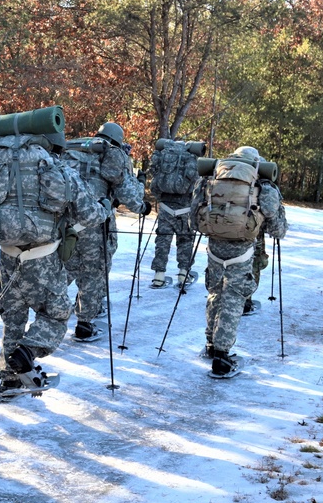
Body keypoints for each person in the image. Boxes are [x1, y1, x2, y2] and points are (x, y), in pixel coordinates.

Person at [0, 133, 112, 398]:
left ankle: (9, 380)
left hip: (8, 255)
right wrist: (104, 207)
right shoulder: (58, 170)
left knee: (13, 318)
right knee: (56, 315)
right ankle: (27, 353)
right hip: (42, 257)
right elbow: (90, 215)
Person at [192, 146, 287, 377]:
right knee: (233, 297)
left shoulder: (211, 177)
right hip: (242, 250)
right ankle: (222, 358)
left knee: (215, 292)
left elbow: (193, 220)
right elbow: (277, 230)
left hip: (214, 247)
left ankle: (211, 344)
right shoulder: (262, 184)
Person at [64, 122, 151, 341]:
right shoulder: (112, 154)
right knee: (94, 273)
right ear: (118, 139)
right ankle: (84, 324)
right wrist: (143, 206)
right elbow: (127, 193)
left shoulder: (75, 149)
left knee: (66, 267)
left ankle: (47, 312)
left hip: (64, 223)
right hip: (96, 224)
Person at [148, 139, 204, 289]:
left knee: (162, 241)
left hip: (166, 206)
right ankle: (183, 274)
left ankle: (158, 277)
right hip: (185, 208)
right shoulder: (191, 158)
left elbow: (153, 175)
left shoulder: (164, 156)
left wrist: (159, 198)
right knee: (185, 240)